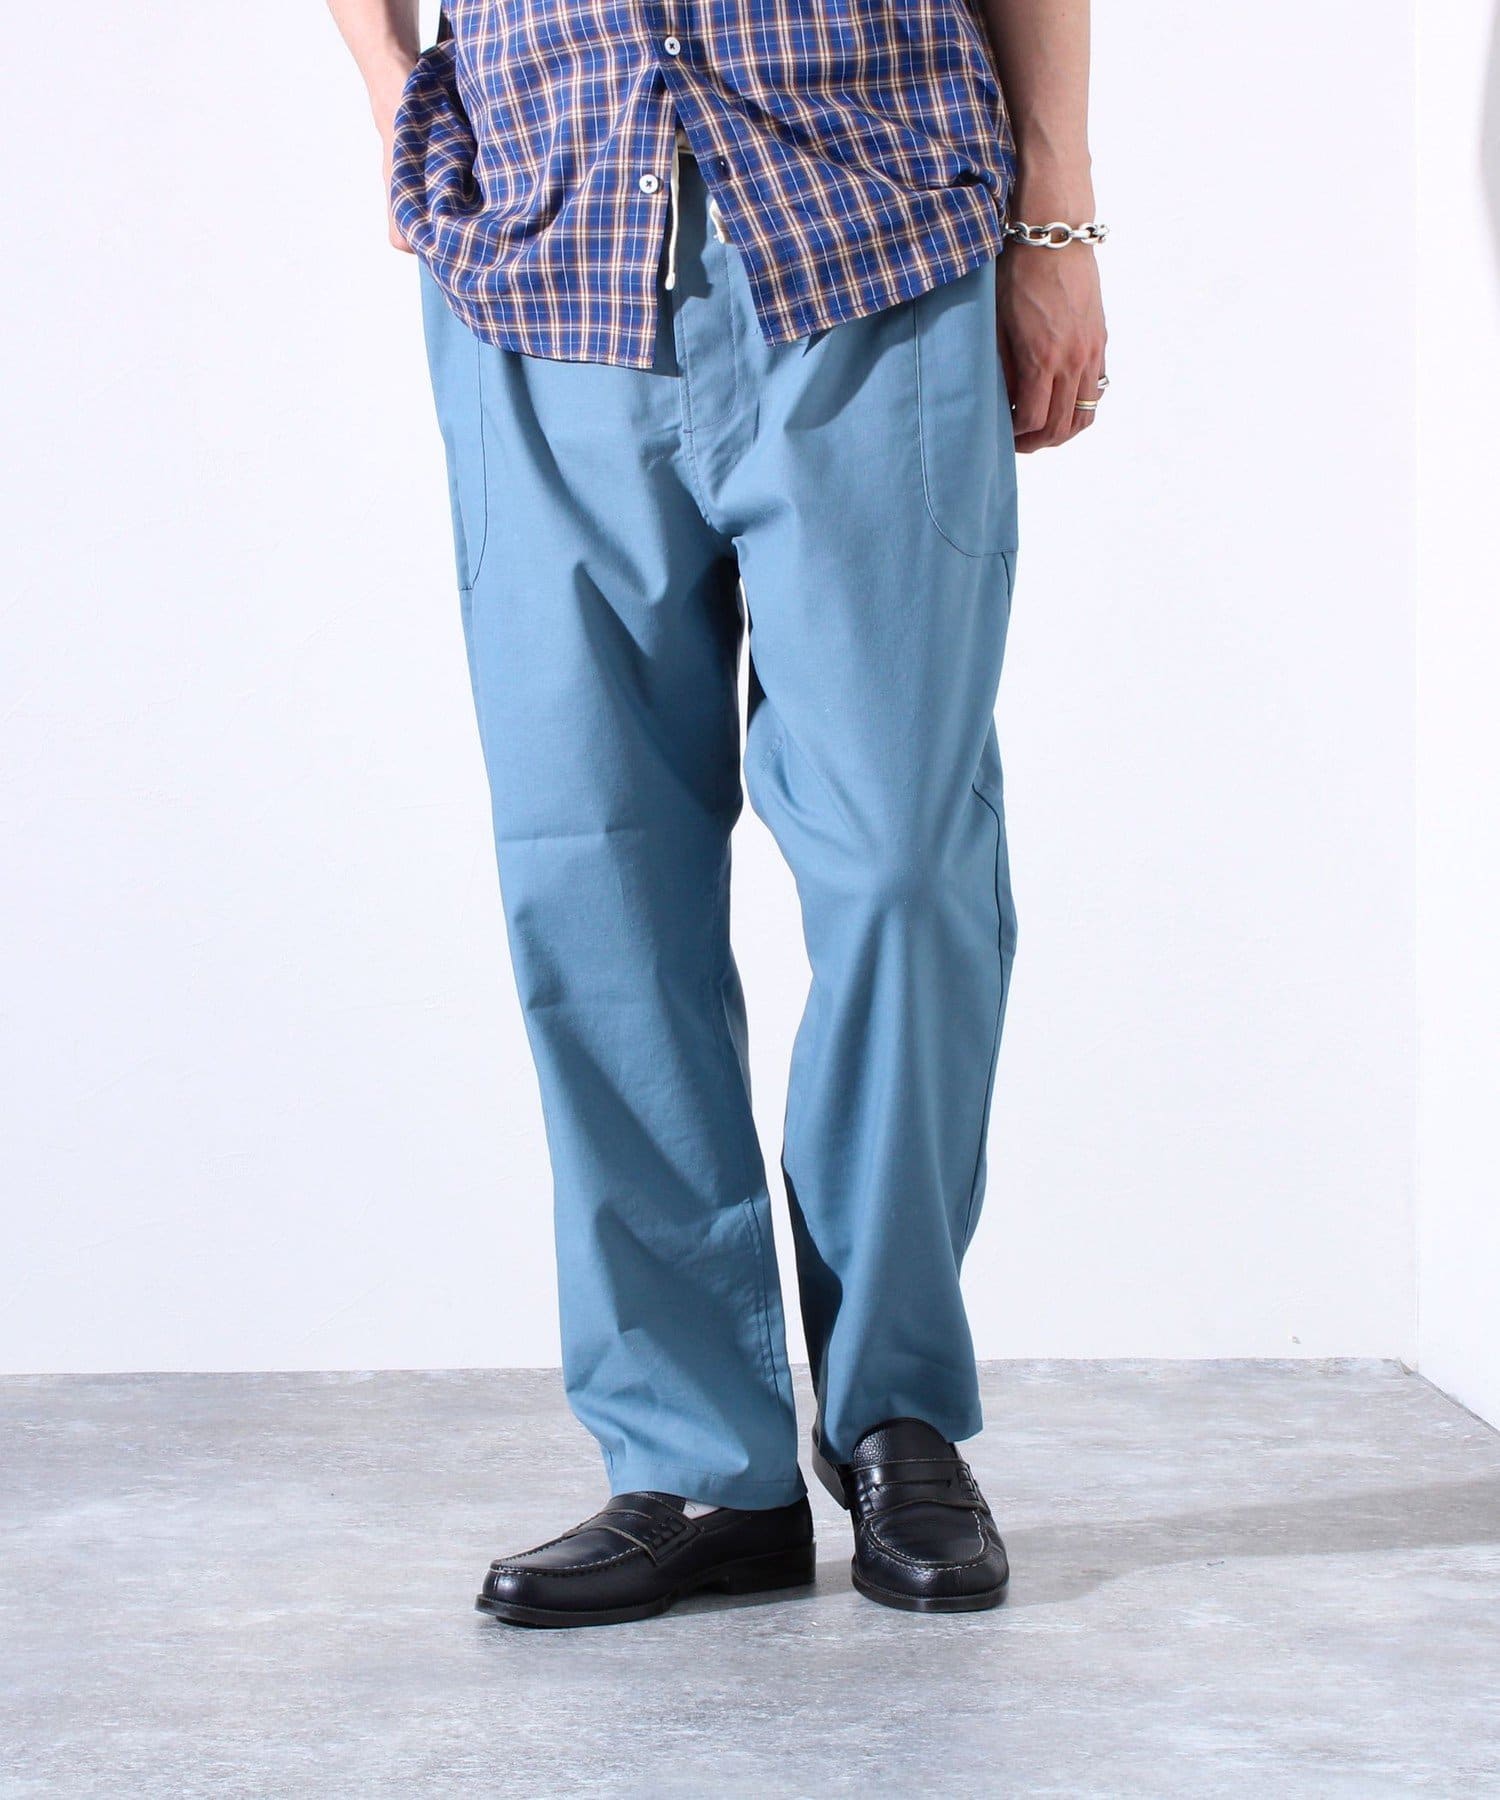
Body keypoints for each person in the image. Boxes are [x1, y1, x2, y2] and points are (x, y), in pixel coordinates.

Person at [329, 0, 1106, 1627]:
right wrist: (403, 101)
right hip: (544, 242)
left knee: (903, 863)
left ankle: (895, 1412)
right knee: (590, 871)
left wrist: (1056, 219)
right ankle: (695, 1465)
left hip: (874, 215)